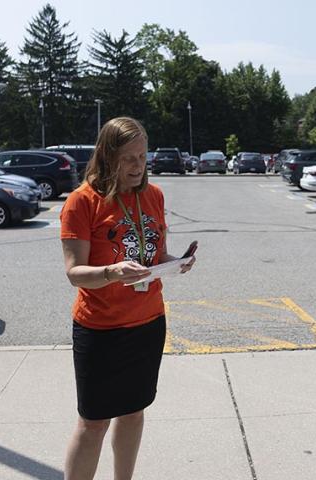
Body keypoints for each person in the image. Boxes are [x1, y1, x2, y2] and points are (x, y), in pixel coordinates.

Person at [60, 117, 195, 480]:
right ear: (107, 157)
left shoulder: (153, 196)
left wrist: (175, 263)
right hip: (100, 329)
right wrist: (112, 272)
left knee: (134, 412)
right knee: (93, 423)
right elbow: (74, 272)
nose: (138, 166)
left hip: (148, 323)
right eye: (128, 159)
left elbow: (156, 254)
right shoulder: (81, 202)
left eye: (142, 156)